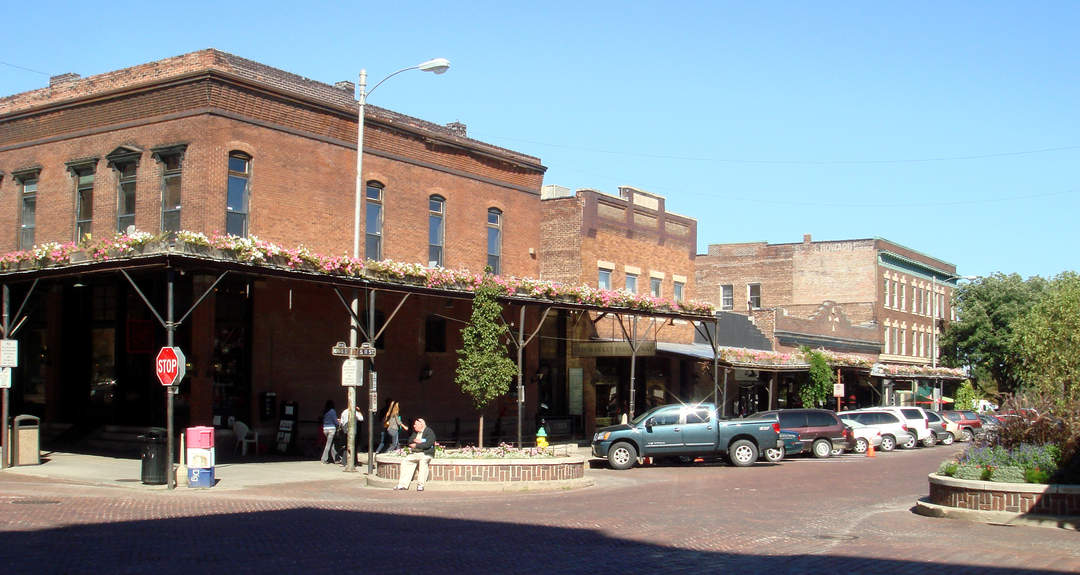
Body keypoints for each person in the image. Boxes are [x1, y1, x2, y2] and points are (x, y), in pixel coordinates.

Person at [394, 417, 436, 492]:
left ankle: (420, 485)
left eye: (416, 424)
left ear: (421, 425)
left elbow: (428, 444)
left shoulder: (429, 432)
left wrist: (417, 444)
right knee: (406, 461)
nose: (414, 426)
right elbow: (409, 441)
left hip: (426, 453)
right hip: (416, 453)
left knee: (423, 462)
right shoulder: (415, 432)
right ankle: (403, 484)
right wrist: (416, 441)